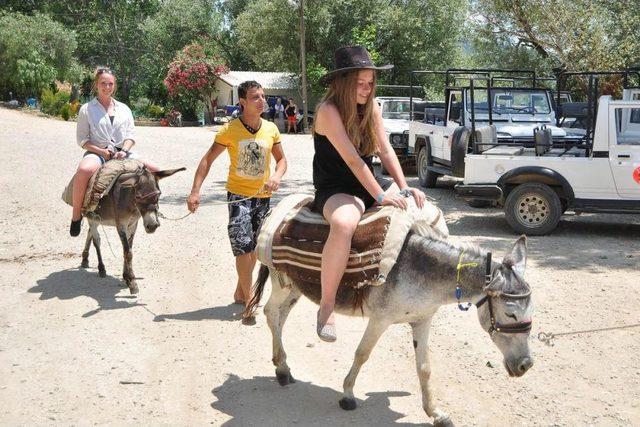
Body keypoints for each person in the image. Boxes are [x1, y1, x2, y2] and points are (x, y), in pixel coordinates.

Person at [311, 46, 426, 342]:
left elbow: (385, 150)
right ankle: (326, 307)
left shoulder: (372, 108)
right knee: (345, 224)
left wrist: (403, 187)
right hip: (336, 186)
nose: (366, 89)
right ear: (344, 82)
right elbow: (351, 159)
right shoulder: (328, 110)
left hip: (368, 181)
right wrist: (380, 196)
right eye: (360, 83)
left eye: (370, 83)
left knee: (420, 208)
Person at [187, 80, 287, 321]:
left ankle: (240, 289)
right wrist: (195, 191)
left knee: (254, 251)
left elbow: (282, 161)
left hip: (263, 198)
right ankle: (251, 298)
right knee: (243, 248)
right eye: (255, 97)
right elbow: (207, 160)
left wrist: (276, 176)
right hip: (238, 198)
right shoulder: (230, 130)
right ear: (242, 102)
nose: (262, 101)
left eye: (263, 96)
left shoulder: (271, 129)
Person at [70, 67, 158, 237]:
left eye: (110, 84)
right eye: (103, 83)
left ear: (114, 86)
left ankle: (151, 210)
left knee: (155, 170)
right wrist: (101, 152)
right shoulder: (87, 109)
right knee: (84, 170)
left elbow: (131, 135)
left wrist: (124, 150)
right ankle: (76, 217)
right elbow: (82, 140)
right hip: (98, 152)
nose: (107, 87)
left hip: (123, 152)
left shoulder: (124, 108)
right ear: (97, 84)